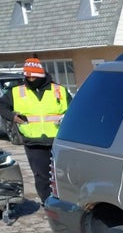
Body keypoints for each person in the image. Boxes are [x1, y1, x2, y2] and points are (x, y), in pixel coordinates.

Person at [0, 57, 72, 205]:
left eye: (34, 76)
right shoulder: (17, 92)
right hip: (34, 143)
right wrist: (12, 116)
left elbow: (74, 110)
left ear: (42, 75)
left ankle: (66, 202)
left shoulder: (59, 90)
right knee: (42, 177)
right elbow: (2, 106)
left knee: (63, 175)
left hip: (58, 141)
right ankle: (48, 203)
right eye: (28, 76)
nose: (31, 79)